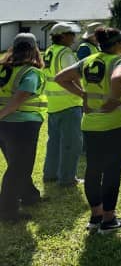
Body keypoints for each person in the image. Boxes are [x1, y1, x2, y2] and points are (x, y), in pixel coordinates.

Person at [55, 27, 121, 233]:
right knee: (112, 172)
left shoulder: (88, 61)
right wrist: (114, 99)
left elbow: (61, 78)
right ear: (117, 45)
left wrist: (83, 95)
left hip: (91, 124)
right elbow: (118, 78)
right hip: (117, 125)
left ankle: (95, 216)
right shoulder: (120, 62)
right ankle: (109, 220)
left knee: (93, 170)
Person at [0, 33, 47, 222]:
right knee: (19, 168)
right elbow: (18, 100)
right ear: (34, 49)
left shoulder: (3, 69)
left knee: (16, 164)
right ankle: (7, 211)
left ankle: (29, 195)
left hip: (4, 127)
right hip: (22, 126)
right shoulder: (31, 72)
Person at [42, 22, 84, 187]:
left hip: (53, 104)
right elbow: (71, 77)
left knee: (54, 142)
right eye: (71, 34)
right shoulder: (65, 53)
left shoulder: (50, 51)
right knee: (71, 144)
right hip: (68, 104)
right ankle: (67, 178)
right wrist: (83, 94)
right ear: (63, 36)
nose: (74, 38)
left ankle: (50, 174)